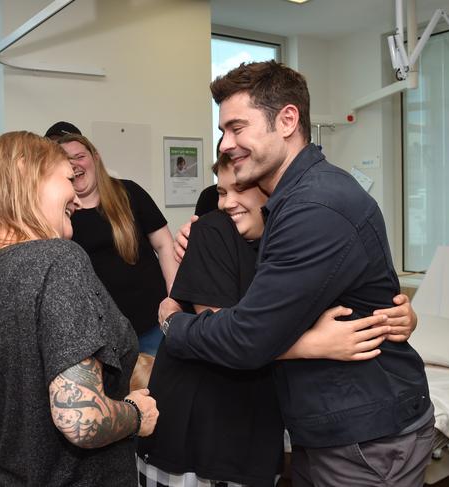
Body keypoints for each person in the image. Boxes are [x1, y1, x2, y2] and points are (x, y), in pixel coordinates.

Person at [159, 61, 433, 487]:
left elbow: (250, 337)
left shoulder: (313, 207)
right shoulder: (287, 204)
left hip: (365, 437)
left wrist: (175, 325)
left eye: (236, 128)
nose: (225, 143)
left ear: (287, 120)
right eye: (222, 131)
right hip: (327, 429)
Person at [138, 154, 418, 487]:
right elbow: (221, 334)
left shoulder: (299, 237)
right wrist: (314, 344)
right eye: (221, 192)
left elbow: (354, 296)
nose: (228, 202)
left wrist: (402, 316)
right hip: (201, 431)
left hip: (261, 428)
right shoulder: (213, 231)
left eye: (239, 189)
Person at [0, 131, 158, 486]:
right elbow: (82, 419)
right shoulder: (56, 259)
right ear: (26, 172)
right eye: (67, 179)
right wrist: (137, 415)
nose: (76, 197)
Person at [58, 133, 177, 356]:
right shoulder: (60, 213)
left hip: (152, 324)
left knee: (162, 389)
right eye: (66, 160)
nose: (74, 164)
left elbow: (164, 245)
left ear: (95, 157)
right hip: (101, 339)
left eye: (80, 156)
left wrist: (174, 298)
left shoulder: (128, 192)